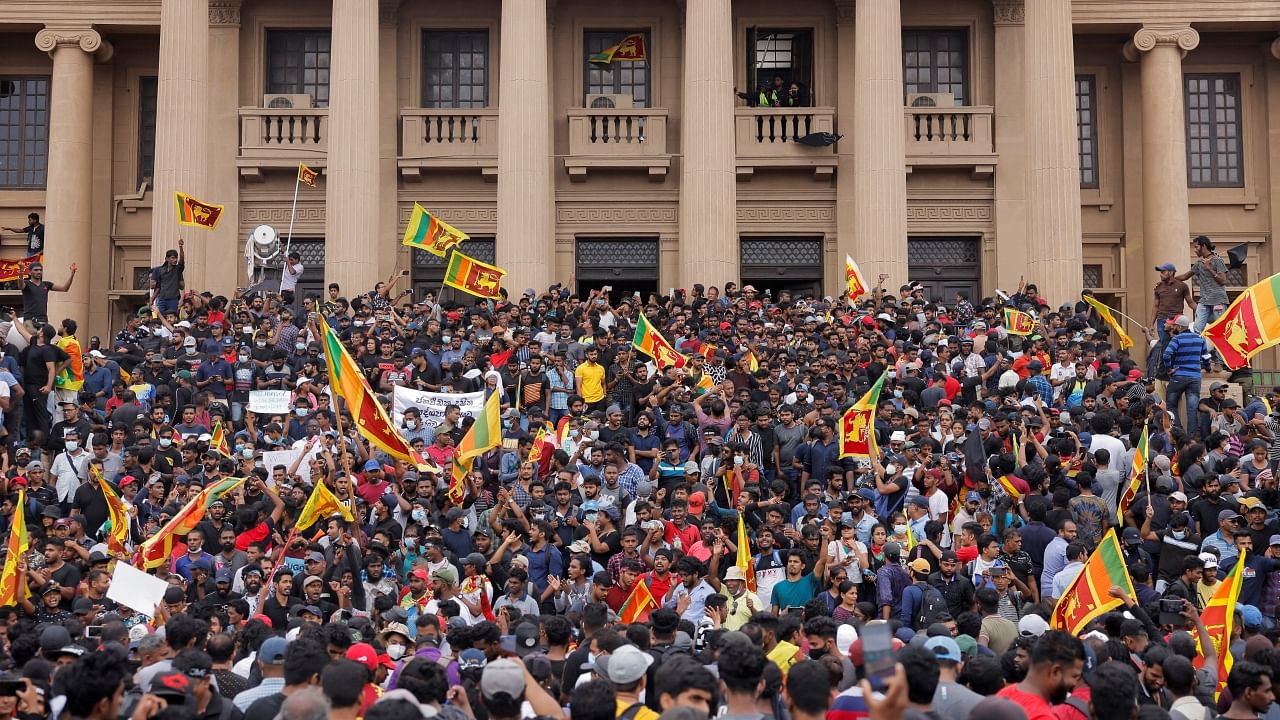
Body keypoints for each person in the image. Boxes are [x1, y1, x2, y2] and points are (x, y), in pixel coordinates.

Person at [997, 630, 1085, 720]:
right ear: (1055, 671)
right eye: (1074, 676)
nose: (1074, 683)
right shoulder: (1043, 717)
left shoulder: (1002, 696)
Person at [1177, 236, 1228, 333]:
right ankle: (1198, 347)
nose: (1195, 250)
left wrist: (1209, 268)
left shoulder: (1217, 260)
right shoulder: (1199, 263)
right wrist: (1168, 280)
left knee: (1220, 330)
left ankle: (1218, 348)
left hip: (1218, 301)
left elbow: (1223, 281)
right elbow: (1185, 276)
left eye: (1196, 247)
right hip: (1204, 301)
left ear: (1203, 246)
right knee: (1197, 328)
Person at [19, 260, 76, 327]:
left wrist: (72, 274)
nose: (39, 272)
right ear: (30, 272)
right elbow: (20, 285)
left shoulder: (46, 284)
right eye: (36, 270)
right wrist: (21, 271)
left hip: (43, 320)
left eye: (40, 270)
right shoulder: (27, 284)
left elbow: (64, 288)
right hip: (30, 320)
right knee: (33, 337)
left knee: (49, 335)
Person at [1151, 264, 1193, 346]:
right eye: (1160, 272)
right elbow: (1155, 306)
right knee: (1164, 343)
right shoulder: (1158, 287)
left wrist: (1198, 311)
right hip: (1162, 319)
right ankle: (1166, 358)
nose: (1160, 274)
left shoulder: (1182, 286)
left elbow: (1190, 302)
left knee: (1178, 343)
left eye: (1163, 272)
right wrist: (1151, 324)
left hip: (1177, 320)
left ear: (1171, 273)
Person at [152, 239, 186, 315]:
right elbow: (158, 287)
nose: (175, 260)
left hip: (173, 300)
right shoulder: (160, 270)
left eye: (176, 258)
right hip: (161, 300)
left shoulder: (177, 269)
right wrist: (152, 299)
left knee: (172, 318)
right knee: (160, 318)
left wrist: (181, 247)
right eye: (173, 258)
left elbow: (182, 260)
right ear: (167, 259)